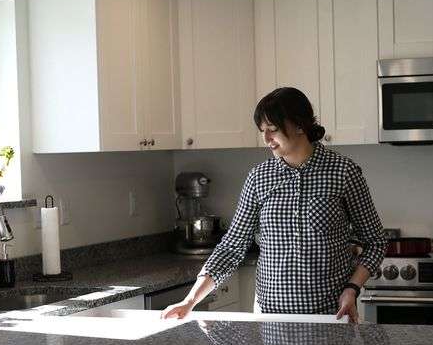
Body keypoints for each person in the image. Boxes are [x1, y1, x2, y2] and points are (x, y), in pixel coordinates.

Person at [162, 87, 386, 322]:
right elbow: (231, 247)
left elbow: (375, 242)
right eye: (262, 131)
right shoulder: (259, 178)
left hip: (330, 315)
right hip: (270, 318)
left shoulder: (343, 172)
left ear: (300, 125)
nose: (266, 139)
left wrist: (352, 288)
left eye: (273, 129)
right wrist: (190, 300)